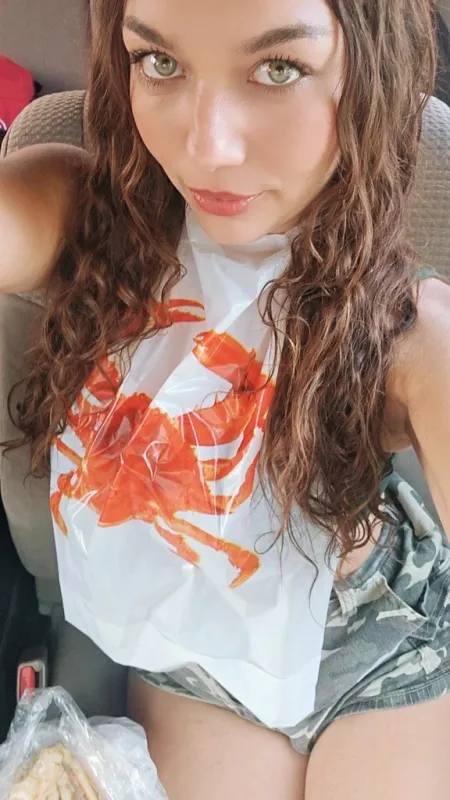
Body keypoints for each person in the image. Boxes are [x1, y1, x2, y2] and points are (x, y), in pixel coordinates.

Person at [1, 0, 449, 797]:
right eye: (161, 63)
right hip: (193, 644)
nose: (207, 147)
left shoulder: (403, 322)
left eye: (278, 68)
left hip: (381, 636)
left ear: (367, 73)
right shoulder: (86, 214)